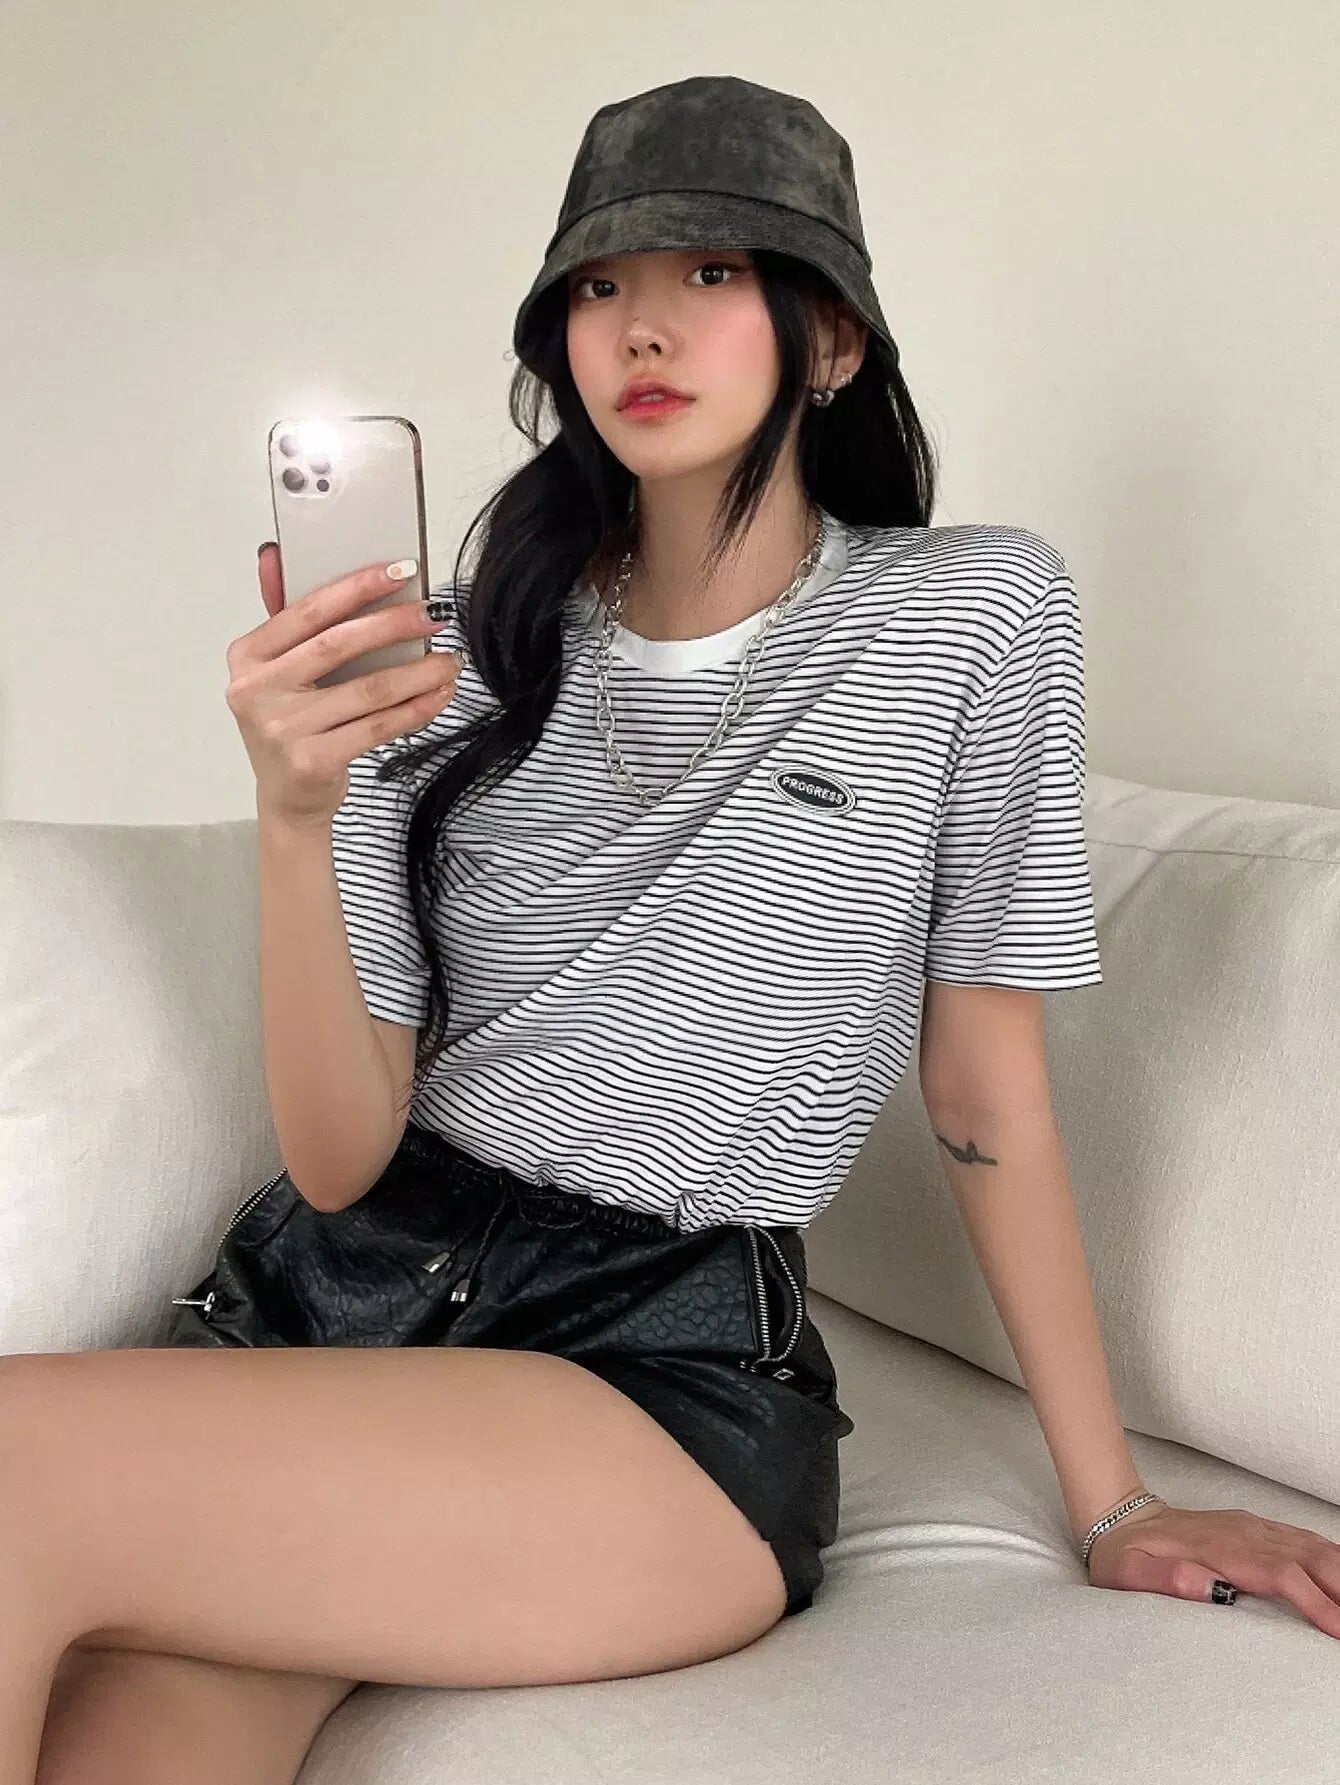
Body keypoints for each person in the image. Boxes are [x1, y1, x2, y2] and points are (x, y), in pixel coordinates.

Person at [17, 74, 1119, 1784]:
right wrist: (296, 815)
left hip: (657, 1367)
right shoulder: (451, 653)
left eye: (709, 275)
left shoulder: (969, 613)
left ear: (830, 338)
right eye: (600, 288)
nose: (642, 327)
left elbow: (984, 1091)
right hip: (339, 1306)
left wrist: (1114, 1502)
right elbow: (337, 1156)